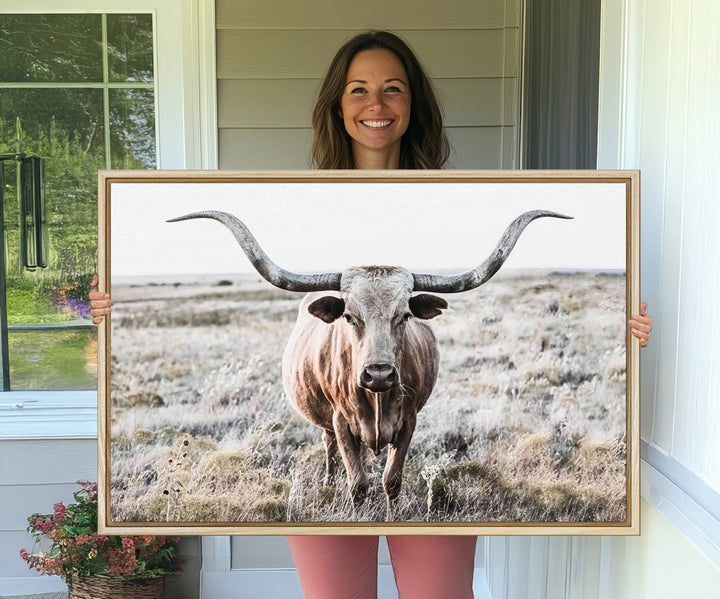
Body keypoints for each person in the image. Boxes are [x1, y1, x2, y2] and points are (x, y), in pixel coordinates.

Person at [90, 30, 653, 599]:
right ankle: (345, 461)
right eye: (358, 90)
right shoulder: (302, 205)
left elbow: (475, 277)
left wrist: (622, 330)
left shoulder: (454, 204)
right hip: (338, 393)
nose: (376, 105)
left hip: (400, 388)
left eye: (393, 89)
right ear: (338, 104)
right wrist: (108, 312)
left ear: (413, 105)